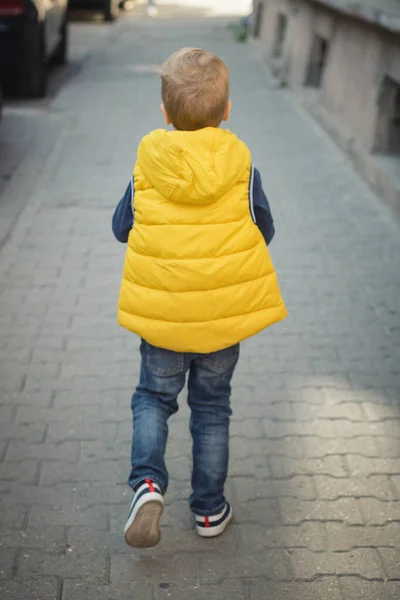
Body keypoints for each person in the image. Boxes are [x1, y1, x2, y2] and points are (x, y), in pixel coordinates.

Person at [112, 47, 287, 549]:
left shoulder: (147, 162)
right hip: (220, 321)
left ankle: (147, 485)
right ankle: (209, 509)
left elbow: (122, 226)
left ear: (165, 113)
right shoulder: (241, 161)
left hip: (164, 318)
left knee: (153, 398)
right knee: (212, 408)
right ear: (226, 109)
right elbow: (263, 226)